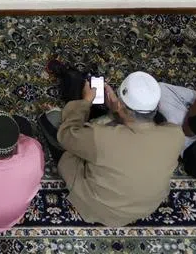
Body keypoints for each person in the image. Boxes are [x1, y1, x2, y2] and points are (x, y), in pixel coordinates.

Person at [41, 70, 182, 226]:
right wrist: (117, 111)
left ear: (119, 104)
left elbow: (67, 136)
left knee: (52, 120)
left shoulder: (102, 137)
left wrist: (85, 102)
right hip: (144, 208)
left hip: (100, 208)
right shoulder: (176, 134)